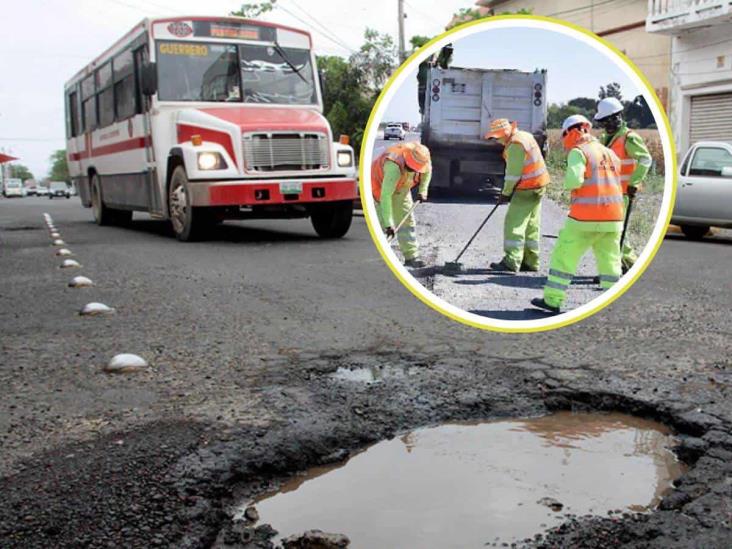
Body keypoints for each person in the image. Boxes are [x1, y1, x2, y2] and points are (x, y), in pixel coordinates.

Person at [531, 115, 624, 314]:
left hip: (584, 218)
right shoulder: (610, 153)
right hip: (614, 218)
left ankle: (553, 300)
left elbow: (574, 180)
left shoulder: (579, 151)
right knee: (610, 261)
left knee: (564, 256)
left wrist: (569, 185)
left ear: (572, 132)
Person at [483, 118, 550, 272]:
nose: (497, 140)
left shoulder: (515, 145)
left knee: (514, 224)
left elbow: (513, 175)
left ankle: (511, 261)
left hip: (527, 188)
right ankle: (531, 261)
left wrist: (505, 194)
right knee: (531, 225)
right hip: (539, 185)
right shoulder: (525, 136)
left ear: (504, 134)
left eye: (497, 137)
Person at [594, 97, 653, 273]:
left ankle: (618, 268)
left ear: (619, 116)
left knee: (615, 232)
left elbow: (645, 159)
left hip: (623, 193)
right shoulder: (606, 138)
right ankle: (628, 265)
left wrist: (635, 182)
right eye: (604, 122)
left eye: (610, 120)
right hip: (609, 193)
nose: (607, 124)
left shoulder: (629, 138)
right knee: (615, 232)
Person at [371, 142, 432, 268]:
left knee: (407, 222)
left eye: (416, 169)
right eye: (411, 168)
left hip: (402, 187)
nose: (414, 171)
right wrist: (389, 224)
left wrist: (423, 191)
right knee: (382, 224)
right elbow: (385, 196)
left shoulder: (423, 157)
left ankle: (411, 256)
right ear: (407, 159)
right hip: (380, 185)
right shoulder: (393, 166)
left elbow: (427, 172)